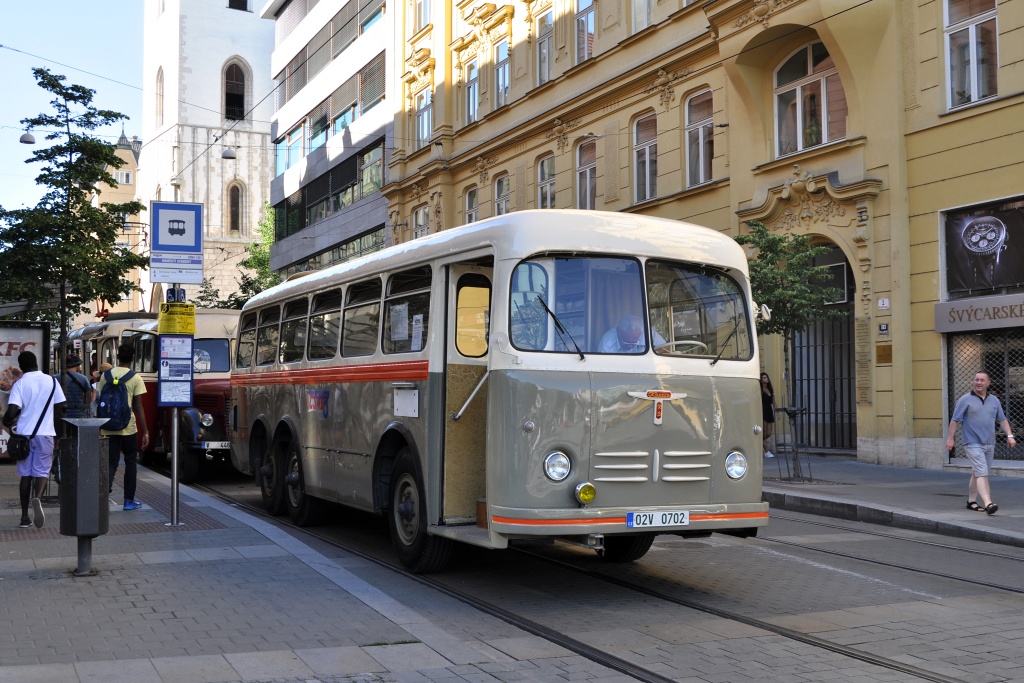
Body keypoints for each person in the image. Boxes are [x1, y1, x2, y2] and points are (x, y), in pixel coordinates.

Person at [2, 351, 67, 528]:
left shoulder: (20, 384)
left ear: (21, 367)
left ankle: (24, 518)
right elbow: (61, 409)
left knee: (25, 475)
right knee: (42, 472)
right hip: (46, 434)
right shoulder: (52, 381)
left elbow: (13, 411)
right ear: (36, 363)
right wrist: (60, 436)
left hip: (24, 436)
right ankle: (37, 497)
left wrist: (6, 421)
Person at [946, 370, 1015, 515]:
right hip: (972, 442)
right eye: (976, 380)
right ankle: (988, 503)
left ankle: (971, 501)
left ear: (988, 383)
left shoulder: (994, 400)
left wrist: (1009, 435)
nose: (978, 382)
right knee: (982, 472)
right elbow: (955, 420)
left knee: (978, 472)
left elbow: (1002, 419)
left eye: (982, 380)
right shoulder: (965, 399)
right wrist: (950, 439)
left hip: (989, 442)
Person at [96, 344, 149, 511]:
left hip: (108, 425)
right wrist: (145, 431)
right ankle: (128, 501)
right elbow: (138, 406)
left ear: (117, 357)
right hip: (128, 427)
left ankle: (104, 497)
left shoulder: (106, 375)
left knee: (111, 463)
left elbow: (99, 399)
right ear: (132, 359)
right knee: (130, 462)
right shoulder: (135, 378)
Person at [599, 315, 665, 353]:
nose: (630, 346)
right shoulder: (607, 342)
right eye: (626, 342)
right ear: (618, 332)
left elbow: (665, 349)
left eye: (634, 341)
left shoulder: (647, 334)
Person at [761, 372, 776, 458]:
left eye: (766, 377)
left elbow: (773, 400)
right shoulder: (760, 390)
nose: (766, 379)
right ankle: (766, 451)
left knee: (769, 433)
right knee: (764, 432)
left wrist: (776, 411)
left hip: (769, 410)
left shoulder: (770, 389)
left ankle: (759, 442)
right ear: (761, 380)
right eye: (764, 378)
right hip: (763, 410)